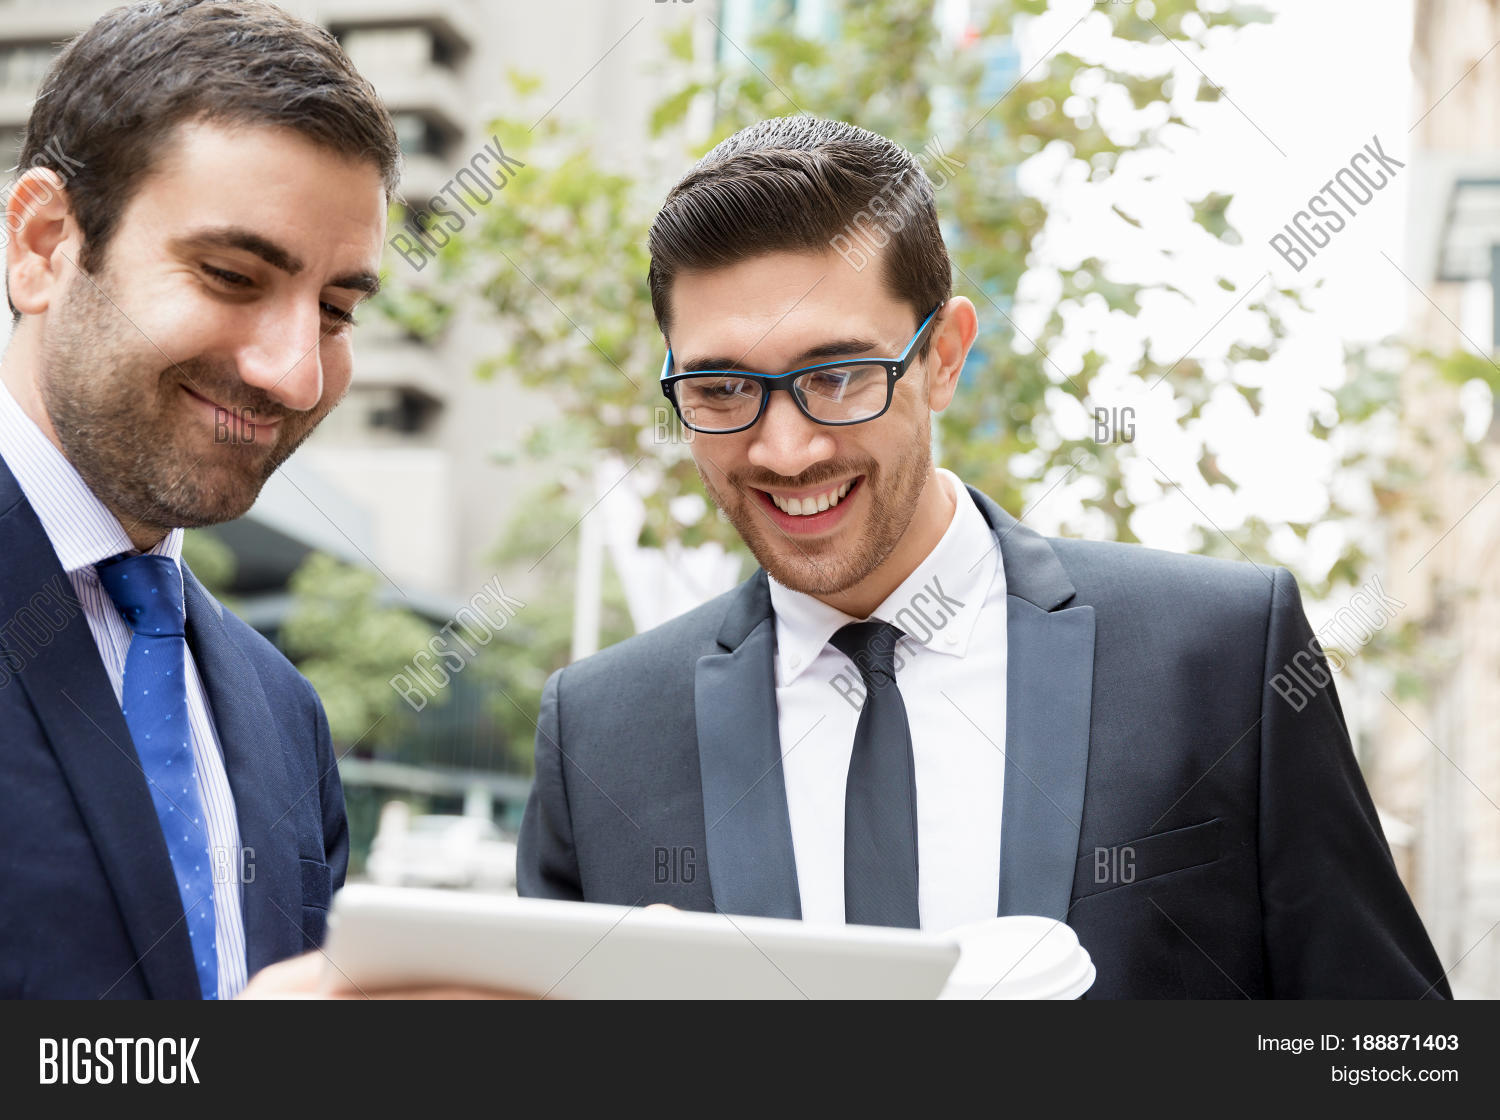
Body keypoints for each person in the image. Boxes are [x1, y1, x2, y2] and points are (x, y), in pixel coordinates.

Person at [516, 115, 1451, 998]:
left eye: (838, 376)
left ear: (945, 357)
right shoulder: (599, 733)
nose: (785, 450)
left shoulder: (1223, 655)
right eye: (721, 389)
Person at [0, 0, 399, 998]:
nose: (295, 372)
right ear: (45, 243)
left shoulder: (282, 714)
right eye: (231, 275)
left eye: (338, 309)